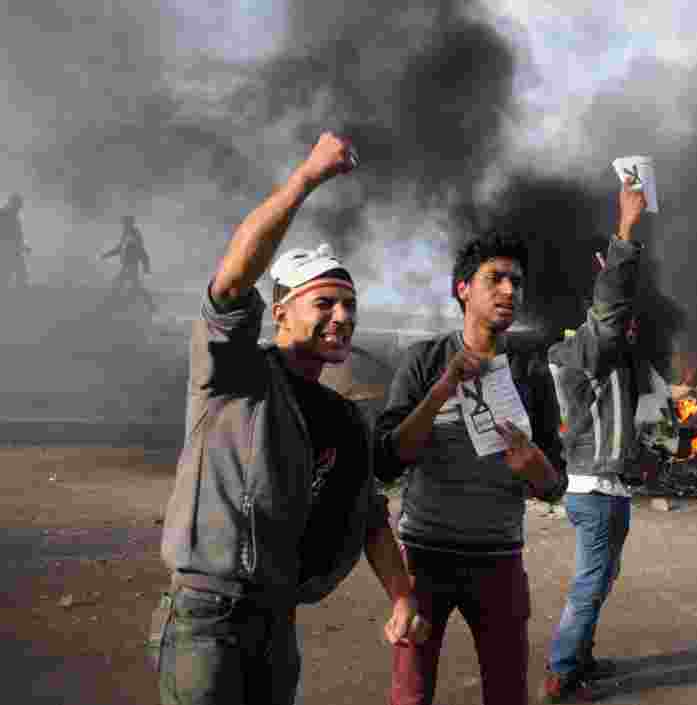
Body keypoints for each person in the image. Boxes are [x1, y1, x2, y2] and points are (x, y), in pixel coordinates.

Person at [150, 133, 427, 705]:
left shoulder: (343, 419)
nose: (342, 316)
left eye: (349, 305)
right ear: (280, 312)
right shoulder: (234, 377)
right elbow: (229, 284)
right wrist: (308, 177)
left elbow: (368, 515)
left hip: (276, 623)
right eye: (324, 302)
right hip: (206, 620)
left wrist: (402, 596)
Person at [373, 221, 567, 705]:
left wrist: (532, 462)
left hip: (499, 560)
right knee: (411, 694)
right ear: (463, 290)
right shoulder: (423, 360)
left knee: (506, 693)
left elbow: (553, 486)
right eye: (495, 279)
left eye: (517, 282)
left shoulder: (529, 370)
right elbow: (388, 460)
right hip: (424, 558)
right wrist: (442, 389)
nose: (509, 291)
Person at [541, 178, 686, 702]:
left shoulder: (608, 360)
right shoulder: (582, 354)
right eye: (618, 323)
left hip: (609, 489)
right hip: (595, 492)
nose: (628, 329)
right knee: (589, 584)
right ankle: (561, 672)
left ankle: (580, 659)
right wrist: (626, 230)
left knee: (600, 580)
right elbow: (610, 311)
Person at [101, 215, 156, 312]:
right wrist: (106, 255)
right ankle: (148, 306)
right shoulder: (126, 234)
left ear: (130, 223)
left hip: (131, 266)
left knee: (125, 285)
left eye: (125, 223)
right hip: (127, 265)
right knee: (132, 286)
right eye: (123, 223)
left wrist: (146, 267)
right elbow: (119, 249)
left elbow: (141, 251)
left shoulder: (133, 234)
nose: (123, 225)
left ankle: (149, 306)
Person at [0, 193, 29, 288]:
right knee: (6, 276)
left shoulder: (15, 218)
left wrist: (24, 246)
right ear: (11, 204)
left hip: (13, 251)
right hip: (6, 251)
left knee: (21, 275)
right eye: (17, 205)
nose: (18, 209)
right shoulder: (3, 215)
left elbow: (18, 236)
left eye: (19, 206)